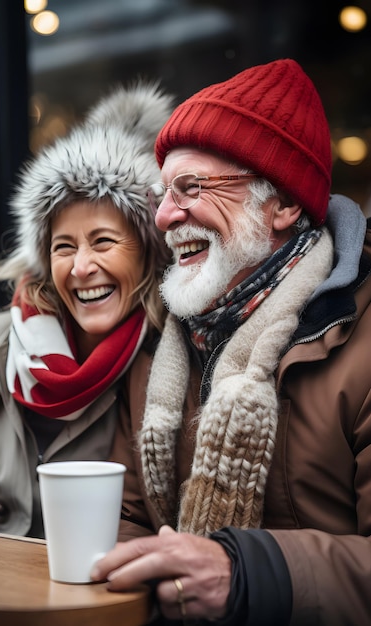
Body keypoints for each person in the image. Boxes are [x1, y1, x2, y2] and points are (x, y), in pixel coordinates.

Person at [92, 59, 371, 625]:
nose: (167, 217)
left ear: (284, 206)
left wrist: (248, 576)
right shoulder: (156, 340)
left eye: (191, 188)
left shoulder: (360, 340)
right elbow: (128, 516)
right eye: (163, 194)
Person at [0, 82, 173, 538]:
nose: (81, 267)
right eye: (63, 246)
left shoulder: (171, 363)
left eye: (104, 242)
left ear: (149, 253)